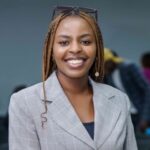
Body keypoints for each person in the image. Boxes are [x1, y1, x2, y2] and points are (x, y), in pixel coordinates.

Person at [9, 6, 137, 150]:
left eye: (86, 42)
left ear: (97, 48)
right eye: (64, 42)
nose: (75, 49)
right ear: (51, 49)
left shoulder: (119, 100)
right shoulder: (24, 102)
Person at [104, 48, 150, 132]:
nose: (103, 68)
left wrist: (145, 117)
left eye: (104, 64)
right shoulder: (109, 75)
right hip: (129, 116)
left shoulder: (128, 67)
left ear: (110, 61)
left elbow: (147, 90)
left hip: (142, 113)